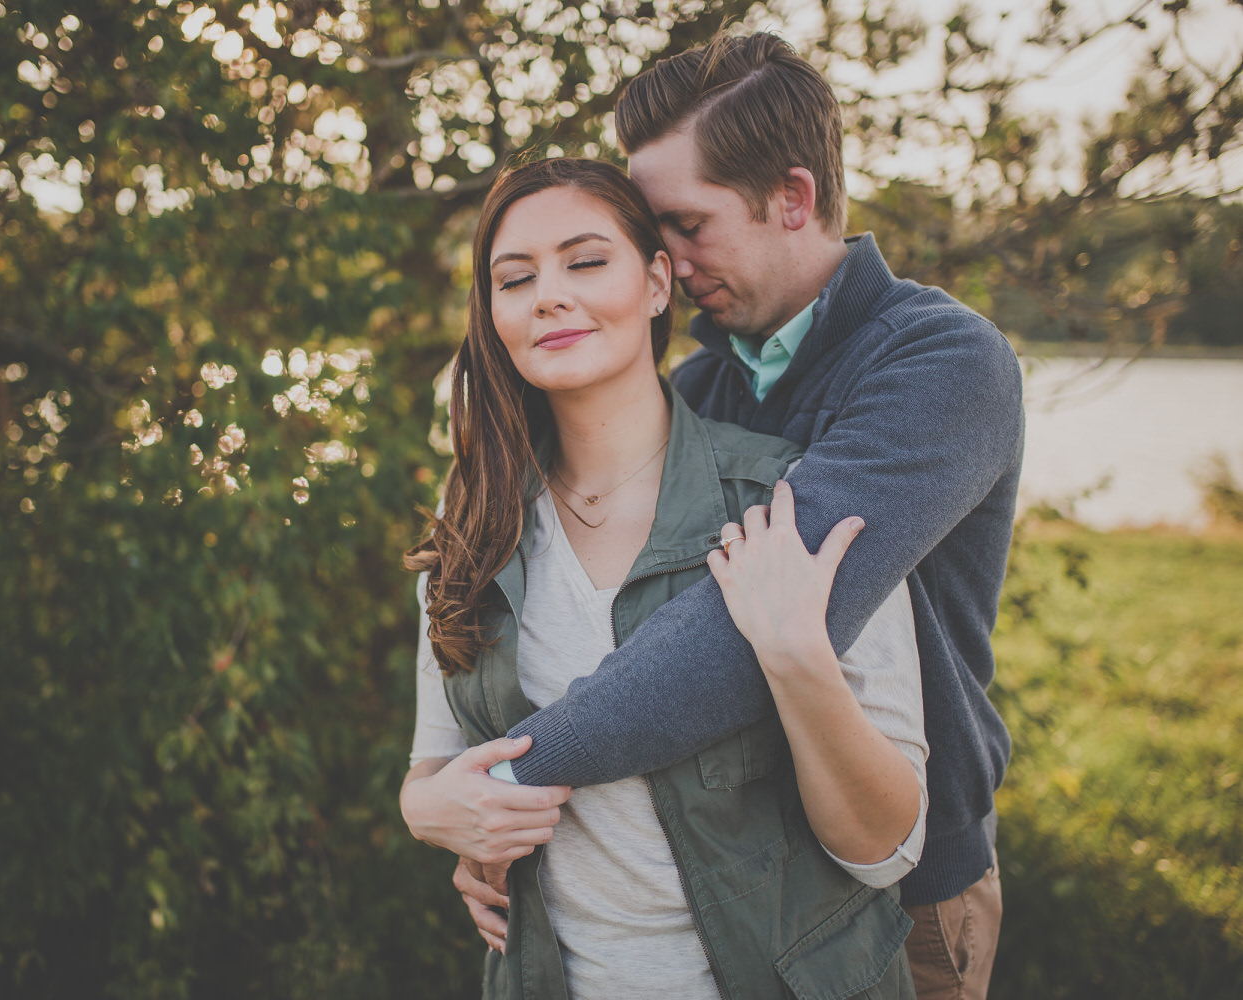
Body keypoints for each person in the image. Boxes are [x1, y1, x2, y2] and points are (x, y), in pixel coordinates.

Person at [451, 30, 1024, 1000]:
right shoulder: (705, 384)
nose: (659, 256)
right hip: (743, 876)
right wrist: (449, 799)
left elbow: (730, 639)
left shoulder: (941, 364)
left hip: (905, 885)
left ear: (792, 199)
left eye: (684, 222)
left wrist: (500, 785)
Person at [400, 156, 928, 1000]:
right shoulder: (471, 537)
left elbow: (886, 846)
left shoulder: (785, 507)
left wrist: (797, 660)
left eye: (584, 261)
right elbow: (434, 768)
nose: (548, 296)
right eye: (515, 278)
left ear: (656, 284)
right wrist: (424, 813)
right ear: (492, 312)